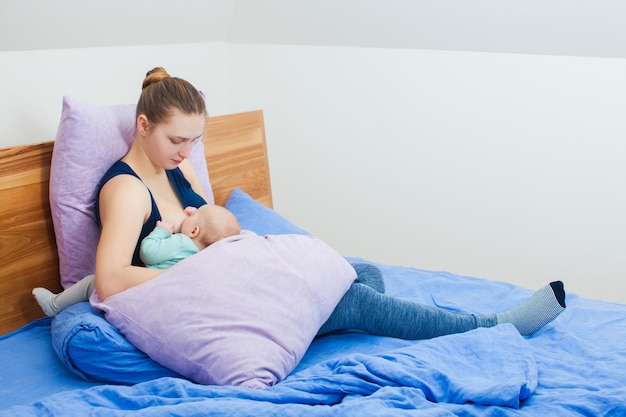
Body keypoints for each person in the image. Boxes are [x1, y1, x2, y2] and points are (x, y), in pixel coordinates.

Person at [48, 67, 568, 338]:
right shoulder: (125, 189)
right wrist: (200, 275)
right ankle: (493, 328)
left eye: (194, 142)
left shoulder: (173, 169)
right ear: (142, 126)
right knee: (359, 300)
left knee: (358, 274)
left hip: (223, 280)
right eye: (176, 141)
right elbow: (111, 279)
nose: (186, 153)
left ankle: (313, 320)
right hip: (191, 297)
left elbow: (210, 232)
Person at [32, 203, 242, 316]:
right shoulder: (205, 257)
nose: (187, 214)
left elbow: (148, 253)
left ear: (194, 230)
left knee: (92, 283)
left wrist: (161, 232)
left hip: (147, 291)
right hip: (174, 301)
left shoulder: (180, 242)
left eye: (192, 216)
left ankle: (55, 304)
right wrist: (197, 215)